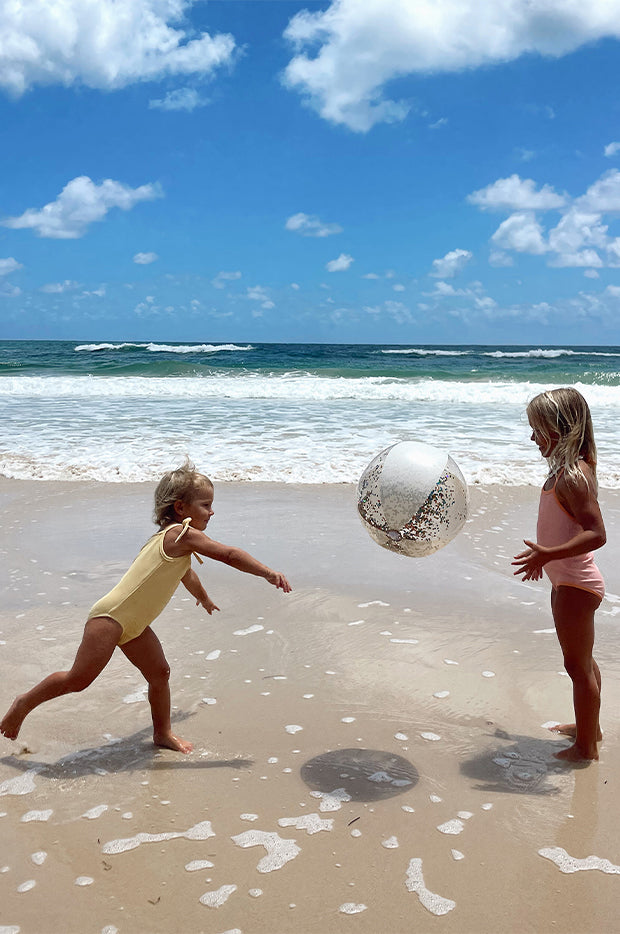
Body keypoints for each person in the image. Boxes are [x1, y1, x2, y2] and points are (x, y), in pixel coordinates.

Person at [0, 462, 292, 753]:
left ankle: (162, 733)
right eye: (205, 505)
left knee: (159, 673)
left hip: (134, 625)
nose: (212, 512)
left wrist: (202, 597)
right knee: (77, 680)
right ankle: (23, 704)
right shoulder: (181, 534)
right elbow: (228, 554)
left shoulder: (173, 542)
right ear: (180, 507)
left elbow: (185, 574)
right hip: (110, 619)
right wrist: (267, 572)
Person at [512, 388, 606, 762]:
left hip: (576, 585)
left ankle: (586, 748)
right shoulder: (561, 474)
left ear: (559, 428)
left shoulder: (573, 475)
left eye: (537, 429)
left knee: (576, 667)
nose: (532, 437)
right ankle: (590, 729)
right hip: (565, 583)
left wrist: (549, 554)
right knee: (582, 661)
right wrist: (550, 560)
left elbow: (596, 533)